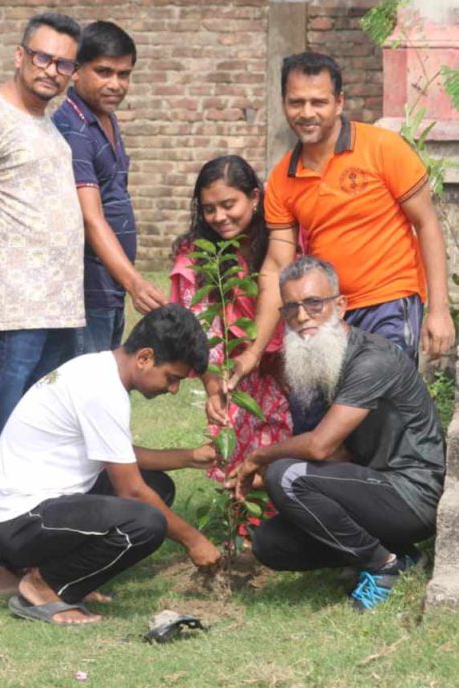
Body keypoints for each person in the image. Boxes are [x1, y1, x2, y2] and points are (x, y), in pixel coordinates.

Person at [0, 11, 86, 597]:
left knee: (41, 442)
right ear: (19, 55)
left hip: (59, 312)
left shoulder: (47, 124)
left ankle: (31, 556)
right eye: (43, 58)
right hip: (7, 314)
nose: (52, 70)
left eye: (64, 63)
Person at [232, 51, 454, 400]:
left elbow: (427, 224)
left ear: (339, 102)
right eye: (297, 102)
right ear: (283, 103)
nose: (307, 113)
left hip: (390, 303)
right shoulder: (282, 180)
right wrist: (253, 351)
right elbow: (276, 267)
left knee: (382, 411)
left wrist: (439, 310)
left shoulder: (382, 148)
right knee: (323, 413)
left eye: (318, 102)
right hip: (327, 312)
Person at [0, 304, 221, 625]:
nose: (173, 389)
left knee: (158, 487)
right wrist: (194, 540)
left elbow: (119, 454)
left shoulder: (97, 370)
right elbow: (131, 491)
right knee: (146, 520)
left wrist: (190, 457)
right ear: (145, 358)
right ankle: (44, 586)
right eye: (172, 378)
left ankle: (70, 577)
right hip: (22, 521)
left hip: (42, 509)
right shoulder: (102, 391)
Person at [235, 256, 445, 611]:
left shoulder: (373, 360)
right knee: (271, 543)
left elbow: (320, 447)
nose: (302, 317)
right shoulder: (326, 359)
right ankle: (398, 553)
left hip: (413, 495)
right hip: (373, 487)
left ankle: (381, 567)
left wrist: (257, 457)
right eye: (291, 308)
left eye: (314, 303)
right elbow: (341, 456)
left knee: (288, 475)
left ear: (341, 306)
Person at [170, 155, 292, 472]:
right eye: (209, 208)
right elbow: (202, 332)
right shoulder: (197, 255)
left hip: (286, 366)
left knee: (287, 450)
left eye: (228, 205)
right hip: (230, 374)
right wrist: (215, 390)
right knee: (238, 454)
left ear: (254, 197)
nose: (219, 216)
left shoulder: (280, 242)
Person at [52, 20, 166, 353]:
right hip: (87, 292)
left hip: (110, 286)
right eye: (103, 72)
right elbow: (91, 218)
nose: (115, 84)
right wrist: (135, 283)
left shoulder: (104, 118)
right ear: (75, 70)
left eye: (124, 74)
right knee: (86, 392)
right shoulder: (72, 129)